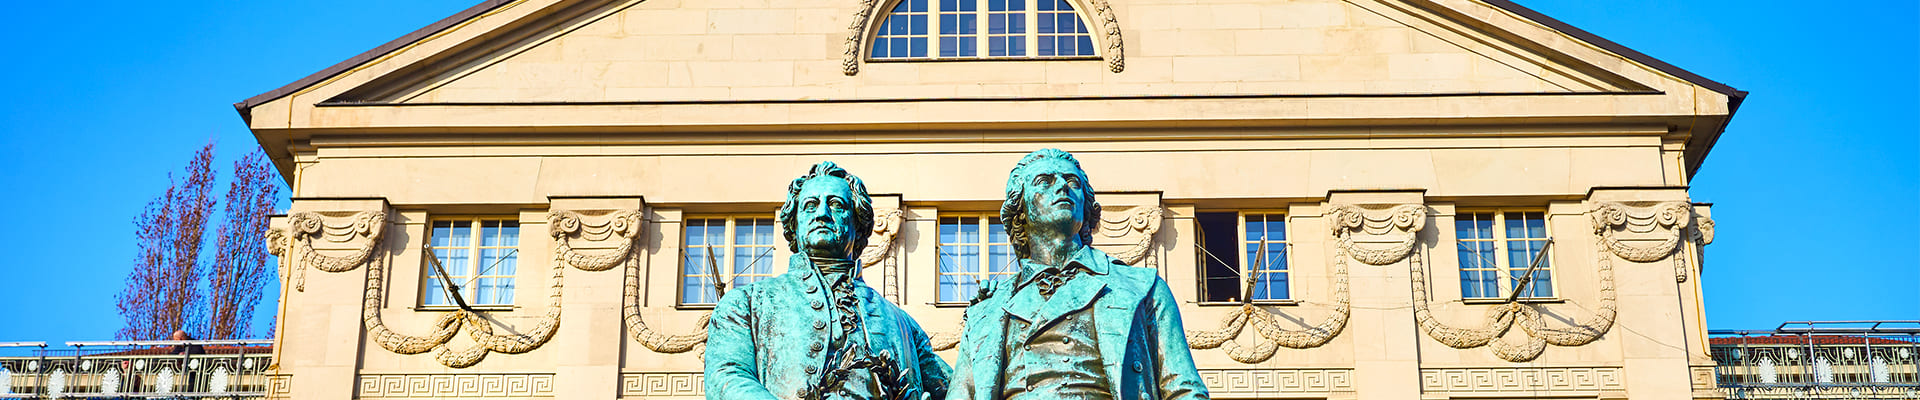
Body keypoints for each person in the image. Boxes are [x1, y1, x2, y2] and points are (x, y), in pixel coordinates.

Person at [948, 149, 1209, 400]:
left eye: (1072, 181)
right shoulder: (988, 309)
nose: (1062, 186)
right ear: (1021, 209)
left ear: (1086, 206)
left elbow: (1183, 389)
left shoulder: (1142, 288)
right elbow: (962, 393)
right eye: (1044, 181)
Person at [706, 161, 952, 400]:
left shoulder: (904, 325)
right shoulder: (747, 303)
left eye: (836, 205)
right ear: (794, 224)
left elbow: (956, 389)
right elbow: (726, 377)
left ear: (858, 224)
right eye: (810, 206)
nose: (822, 213)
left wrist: (984, 324)